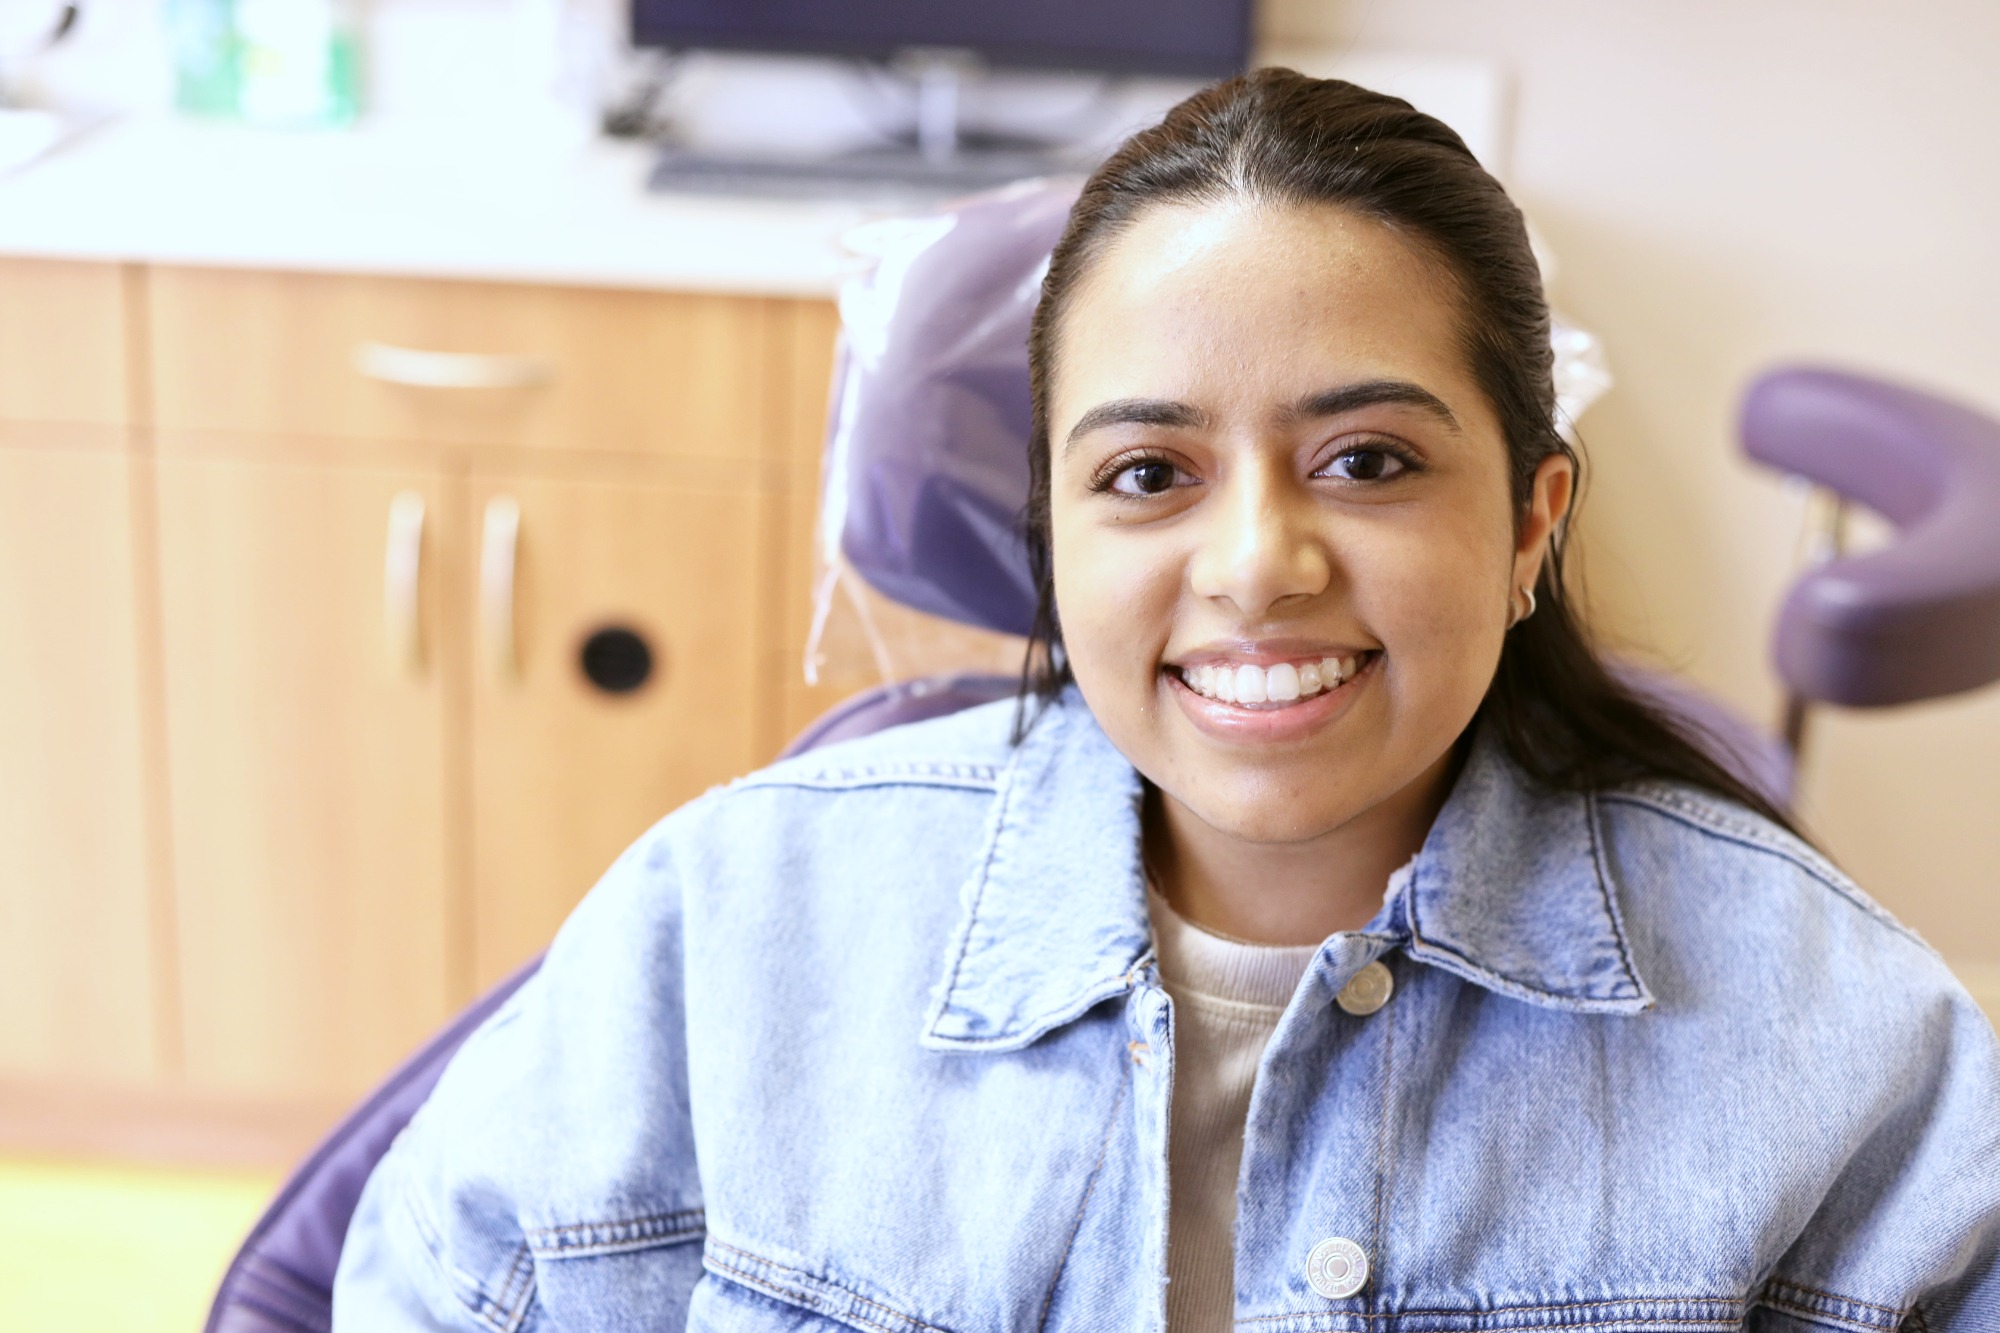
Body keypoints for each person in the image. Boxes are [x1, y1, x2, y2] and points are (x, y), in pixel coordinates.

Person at [333, 70, 2000, 1331]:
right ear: (1051, 540)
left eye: (1367, 459)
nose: (1257, 561)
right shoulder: (727, 935)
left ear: (1529, 525)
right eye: (1148, 472)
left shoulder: (1851, 1057)